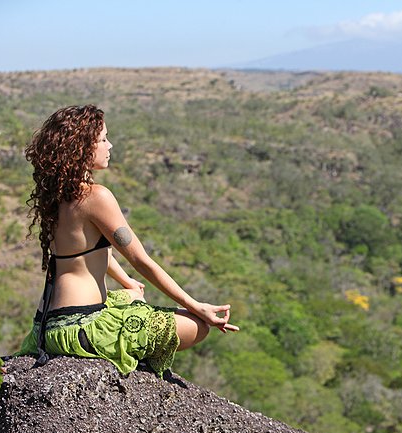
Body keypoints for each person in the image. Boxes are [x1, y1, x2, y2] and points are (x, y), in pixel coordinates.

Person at [17, 104, 238, 376]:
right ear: (82, 148)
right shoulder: (96, 196)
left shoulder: (56, 195)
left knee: (133, 295)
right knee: (197, 327)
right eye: (103, 139)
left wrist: (126, 282)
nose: (109, 146)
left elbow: (92, 251)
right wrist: (196, 306)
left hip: (49, 325)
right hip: (82, 326)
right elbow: (141, 260)